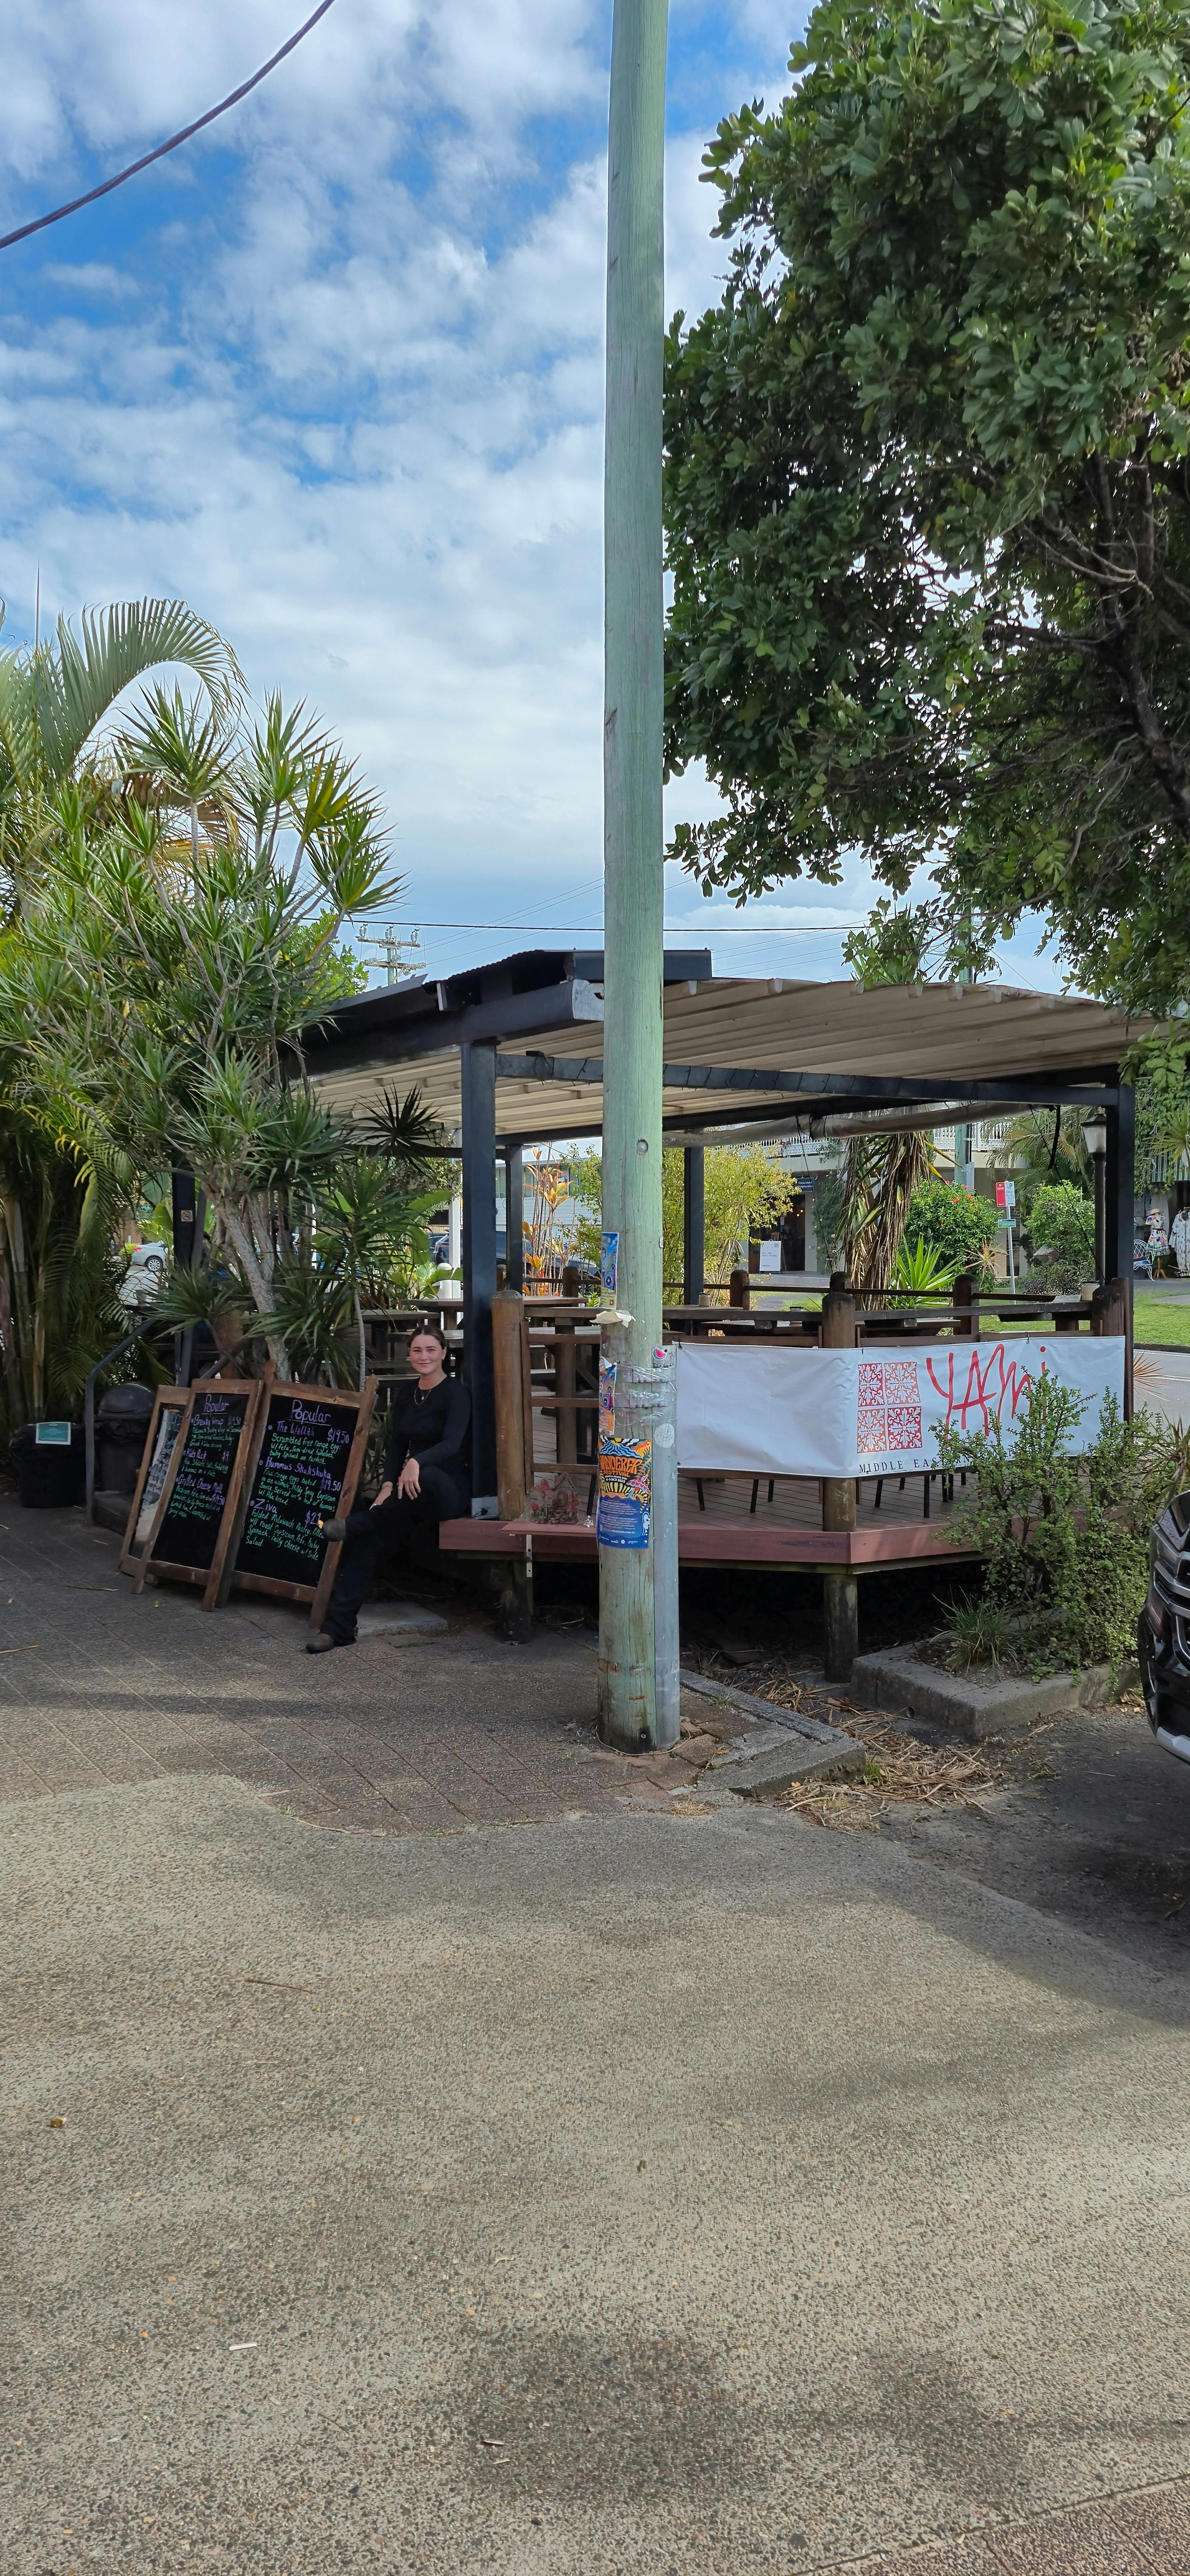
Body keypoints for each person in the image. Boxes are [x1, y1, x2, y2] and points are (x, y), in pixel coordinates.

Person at [307, 1324, 471, 1651]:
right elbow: (397, 1446)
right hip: (409, 1495)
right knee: (371, 1536)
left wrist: (417, 1463)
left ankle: (354, 1524)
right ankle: (337, 1629)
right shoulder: (407, 1394)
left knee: (424, 1477)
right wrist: (385, 1486)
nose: (424, 1356)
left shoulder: (456, 1393)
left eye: (431, 1350)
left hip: (448, 1490)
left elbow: (452, 1444)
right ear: (409, 1354)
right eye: (417, 1350)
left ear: (444, 1353)